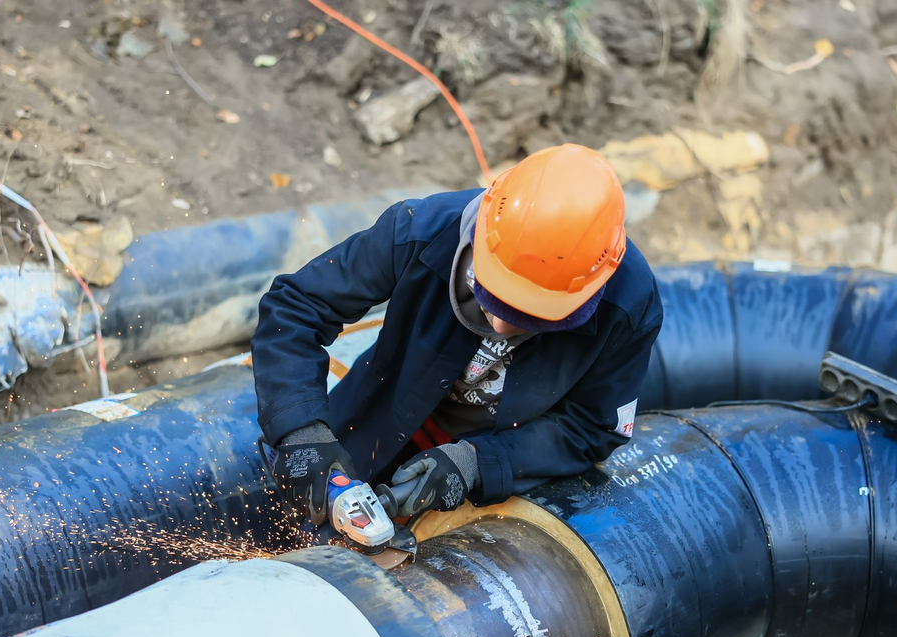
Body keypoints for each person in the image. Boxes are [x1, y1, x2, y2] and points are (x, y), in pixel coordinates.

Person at [252, 144, 663, 525]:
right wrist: (301, 428)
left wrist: (478, 464)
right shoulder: (423, 229)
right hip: (375, 415)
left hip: (499, 463)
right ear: (482, 238)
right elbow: (297, 305)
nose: (500, 327)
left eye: (530, 317)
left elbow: (591, 427)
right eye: (491, 299)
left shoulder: (629, 307)